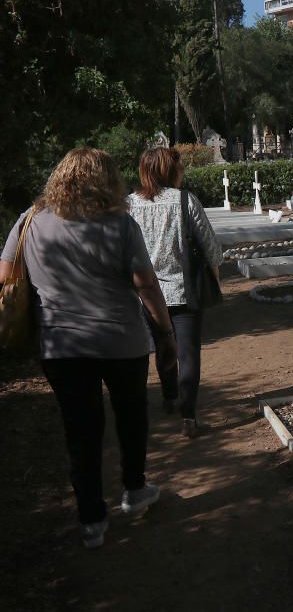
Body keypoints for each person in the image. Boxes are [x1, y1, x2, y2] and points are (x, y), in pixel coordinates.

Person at [0, 148, 176, 548]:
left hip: (61, 343)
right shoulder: (120, 225)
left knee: (81, 429)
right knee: (131, 417)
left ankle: (92, 521)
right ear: (108, 180)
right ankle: (134, 490)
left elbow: (6, 274)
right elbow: (146, 284)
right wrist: (165, 332)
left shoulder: (30, 220)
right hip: (121, 341)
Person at [127, 147, 222, 438]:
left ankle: (169, 396)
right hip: (183, 290)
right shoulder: (185, 200)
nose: (183, 172)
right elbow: (210, 246)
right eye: (179, 167)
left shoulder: (129, 204)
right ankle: (188, 417)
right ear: (171, 170)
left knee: (161, 343)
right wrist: (215, 276)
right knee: (189, 352)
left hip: (145, 294)